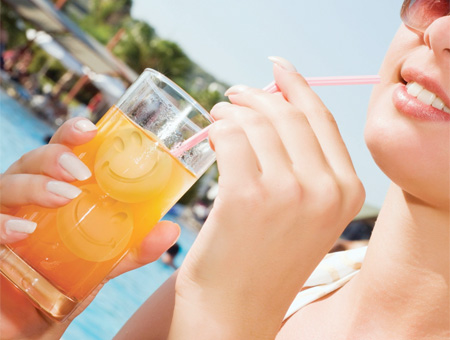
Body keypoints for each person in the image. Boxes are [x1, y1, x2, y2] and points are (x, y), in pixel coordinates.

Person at [0, 1, 448, 339]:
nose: (442, 29)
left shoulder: (230, 289)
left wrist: (219, 321)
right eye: (439, 2)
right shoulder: (260, 273)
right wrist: (19, 323)